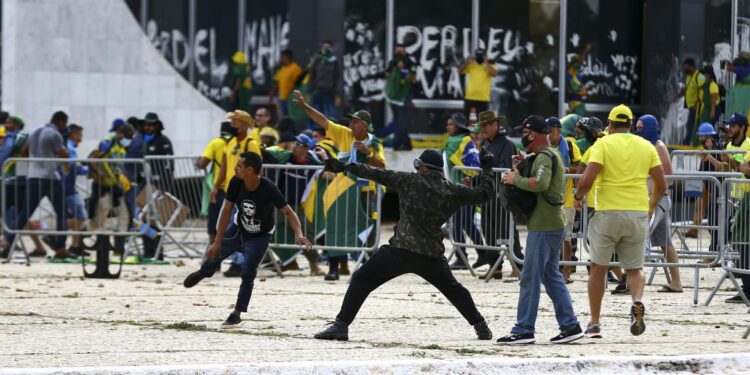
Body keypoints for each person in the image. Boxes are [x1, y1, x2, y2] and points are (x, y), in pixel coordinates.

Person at [312, 149, 496, 341]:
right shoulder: (452, 190)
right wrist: (487, 167)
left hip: (400, 251)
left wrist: (344, 166)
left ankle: (341, 326)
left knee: (361, 279)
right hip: (431, 255)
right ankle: (481, 327)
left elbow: (375, 173)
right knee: (455, 290)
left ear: (422, 167)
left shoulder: (409, 180)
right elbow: (484, 193)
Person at [183, 152, 312, 328]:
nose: (235, 169)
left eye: (238, 166)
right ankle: (204, 272)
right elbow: (226, 211)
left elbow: (289, 212)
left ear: (250, 170)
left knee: (248, 271)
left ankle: (236, 313)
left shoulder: (268, 188)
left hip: (260, 235)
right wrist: (217, 241)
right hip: (238, 229)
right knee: (214, 255)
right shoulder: (236, 182)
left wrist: (299, 234)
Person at [574, 104, 667, 338]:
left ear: (611, 124)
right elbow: (661, 184)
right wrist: (651, 205)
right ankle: (636, 300)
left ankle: (595, 323)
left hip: (607, 213)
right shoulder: (646, 146)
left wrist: (577, 198)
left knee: (598, 268)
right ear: (630, 124)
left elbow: (587, 179)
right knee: (635, 269)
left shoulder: (603, 144)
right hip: (637, 212)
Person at [496, 115, 582, 345]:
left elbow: (541, 184)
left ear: (532, 134)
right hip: (550, 224)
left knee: (530, 277)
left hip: (544, 227)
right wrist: (522, 165)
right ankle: (570, 325)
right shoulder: (546, 155)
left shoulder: (545, 156)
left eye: (524, 134)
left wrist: (515, 180)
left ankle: (524, 329)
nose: (522, 137)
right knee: (551, 276)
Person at [293, 90, 386, 280]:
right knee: (336, 225)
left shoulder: (374, 142)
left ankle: (368, 268)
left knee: (368, 228)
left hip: (366, 190)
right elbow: (323, 120)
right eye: (351, 121)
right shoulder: (344, 134)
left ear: (365, 125)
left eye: (355, 122)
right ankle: (335, 267)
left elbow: (382, 166)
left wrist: (368, 153)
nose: (351, 124)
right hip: (343, 189)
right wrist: (304, 106)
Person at [4, 111, 74, 259]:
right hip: (49, 177)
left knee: (24, 213)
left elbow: (24, 152)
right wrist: (64, 146)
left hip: (32, 177)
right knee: (61, 212)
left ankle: (9, 242)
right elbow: (63, 154)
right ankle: (60, 247)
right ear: (61, 122)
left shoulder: (35, 131)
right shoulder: (54, 134)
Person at [470, 111, 522, 279]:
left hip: (502, 196)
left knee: (508, 231)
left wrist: (485, 175)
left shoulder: (506, 144)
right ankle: (495, 267)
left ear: (495, 125)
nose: (483, 129)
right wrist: (474, 181)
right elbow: (484, 168)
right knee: (489, 232)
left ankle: (518, 266)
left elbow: (503, 168)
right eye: (482, 126)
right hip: (488, 195)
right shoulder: (485, 143)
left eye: (486, 125)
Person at [634, 115, 683, 293]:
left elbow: (667, 176)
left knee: (639, 236)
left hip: (658, 200)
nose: (637, 131)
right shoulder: (646, 146)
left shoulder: (658, 146)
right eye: (636, 127)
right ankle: (676, 283)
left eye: (641, 127)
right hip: (653, 198)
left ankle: (632, 279)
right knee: (665, 243)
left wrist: (652, 201)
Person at [265, 134, 325, 276]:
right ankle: (283, 261)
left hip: (295, 206)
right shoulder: (285, 157)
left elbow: (326, 169)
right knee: (263, 231)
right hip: (277, 204)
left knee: (305, 234)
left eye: (298, 145)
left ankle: (314, 265)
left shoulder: (312, 162)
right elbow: (267, 154)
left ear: (306, 148)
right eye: (294, 143)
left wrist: (326, 163)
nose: (295, 147)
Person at [211, 110, 262, 277]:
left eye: (236, 122)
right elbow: (224, 166)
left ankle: (239, 263)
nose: (232, 125)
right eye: (232, 122)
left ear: (245, 125)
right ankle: (232, 261)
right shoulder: (230, 141)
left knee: (238, 229)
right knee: (228, 228)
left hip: (245, 192)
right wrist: (216, 186)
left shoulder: (251, 143)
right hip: (230, 191)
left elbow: (258, 168)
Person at [88, 123, 135, 255]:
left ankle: (118, 250)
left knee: (125, 216)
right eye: (128, 137)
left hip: (115, 187)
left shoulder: (123, 149)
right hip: (102, 186)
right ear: (120, 134)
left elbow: (115, 166)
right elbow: (93, 159)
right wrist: (100, 173)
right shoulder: (107, 143)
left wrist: (121, 178)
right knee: (99, 219)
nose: (129, 140)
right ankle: (81, 239)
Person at [443, 113, 482, 270]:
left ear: (458, 126)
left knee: (457, 224)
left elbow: (473, 165)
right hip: (458, 190)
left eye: (450, 124)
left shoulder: (463, 141)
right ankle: (484, 253)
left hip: (464, 191)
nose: (447, 126)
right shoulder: (457, 141)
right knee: (466, 224)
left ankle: (461, 257)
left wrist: (470, 178)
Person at [720, 113, 750, 303]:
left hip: (747, 197)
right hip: (735, 196)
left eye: (732, 126)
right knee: (738, 240)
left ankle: (747, 288)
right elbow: (730, 169)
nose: (729, 129)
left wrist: (738, 164)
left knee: (743, 241)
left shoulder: (749, 144)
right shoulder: (729, 146)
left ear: (741, 127)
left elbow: (745, 168)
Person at [548, 117, 581, 282]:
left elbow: (582, 168)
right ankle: (552, 268)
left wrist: (566, 169)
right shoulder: (544, 146)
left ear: (558, 131)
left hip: (567, 197)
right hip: (548, 197)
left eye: (550, 131)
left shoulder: (569, 145)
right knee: (549, 234)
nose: (547, 134)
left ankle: (567, 270)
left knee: (566, 237)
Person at [140, 113, 174, 259]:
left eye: (151, 125)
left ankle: (157, 251)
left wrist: (165, 187)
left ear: (157, 125)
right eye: (146, 124)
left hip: (158, 186)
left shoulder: (163, 141)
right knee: (141, 219)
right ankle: (148, 250)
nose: (148, 127)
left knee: (156, 220)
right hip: (143, 185)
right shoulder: (140, 140)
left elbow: (168, 165)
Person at [196, 121, 236, 245]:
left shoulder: (216, 143)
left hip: (219, 188)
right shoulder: (236, 143)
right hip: (236, 187)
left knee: (214, 221)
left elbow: (202, 164)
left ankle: (214, 253)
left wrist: (198, 161)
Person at [61, 124, 89, 256]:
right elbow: (72, 166)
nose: (81, 139)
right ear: (73, 134)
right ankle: (54, 232)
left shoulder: (67, 145)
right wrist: (89, 170)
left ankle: (75, 246)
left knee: (75, 217)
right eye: (80, 135)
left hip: (66, 186)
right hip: (67, 187)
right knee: (80, 216)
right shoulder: (69, 147)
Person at [384, 43, 417, 151]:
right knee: (399, 121)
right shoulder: (392, 62)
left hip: (405, 96)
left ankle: (398, 143)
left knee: (403, 121)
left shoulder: (410, 62)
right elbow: (387, 75)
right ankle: (406, 144)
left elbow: (413, 79)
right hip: (394, 96)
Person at [674, 58, 705, 146]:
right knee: (690, 125)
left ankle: (688, 143)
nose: (684, 69)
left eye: (686, 67)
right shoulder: (689, 77)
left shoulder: (699, 76)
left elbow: (702, 89)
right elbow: (686, 90)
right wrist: (676, 97)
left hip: (697, 106)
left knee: (692, 125)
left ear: (691, 66)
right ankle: (688, 143)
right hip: (691, 106)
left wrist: (697, 102)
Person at [460, 49, 498, 116]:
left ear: (485, 56)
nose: (479, 58)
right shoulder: (471, 65)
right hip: (470, 96)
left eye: (481, 56)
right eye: (478, 56)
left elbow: (494, 74)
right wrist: (467, 62)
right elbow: (460, 71)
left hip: (483, 98)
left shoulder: (489, 65)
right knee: (465, 119)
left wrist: (486, 62)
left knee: (482, 122)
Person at [308, 41, 340, 119]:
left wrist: (337, 94)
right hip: (317, 92)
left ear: (331, 49)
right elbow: (312, 76)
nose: (325, 49)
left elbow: (338, 78)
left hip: (330, 94)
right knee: (315, 116)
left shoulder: (335, 62)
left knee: (331, 118)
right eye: (324, 47)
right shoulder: (317, 60)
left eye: (328, 47)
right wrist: (309, 92)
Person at [270, 49, 303, 116]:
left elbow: (299, 84)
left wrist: (294, 96)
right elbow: (277, 83)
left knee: (291, 117)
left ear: (286, 56)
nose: (280, 59)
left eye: (281, 57)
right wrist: (271, 95)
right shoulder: (281, 68)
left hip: (291, 99)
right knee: (283, 117)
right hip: (281, 98)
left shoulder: (295, 68)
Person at [565, 44, 591, 116]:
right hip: (572, 103)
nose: (579, 64)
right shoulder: (568, 76)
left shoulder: (577, 75)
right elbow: (575, 89)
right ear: (571, 64)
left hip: (579, 102)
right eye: (577, 62)